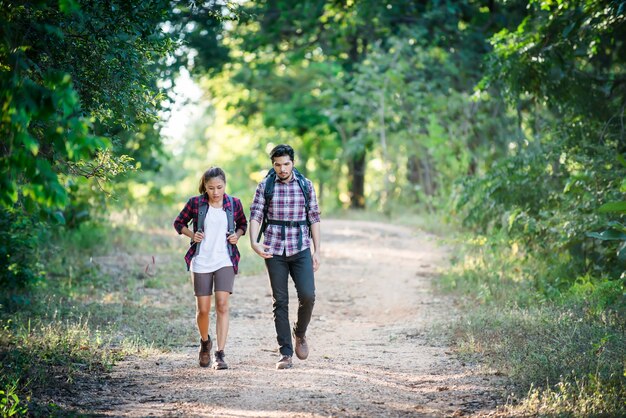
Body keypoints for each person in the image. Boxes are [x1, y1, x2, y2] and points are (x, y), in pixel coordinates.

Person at [249, 144, 321, 369]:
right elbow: (256, 214)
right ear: (273, 165)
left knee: (308, 295)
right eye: (278, 165)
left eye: (286, 164)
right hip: (274, 249)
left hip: (300, 247)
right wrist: (253, 242)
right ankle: (285, 353)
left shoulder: (306, 185)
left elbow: (314, 218)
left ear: (293, 163)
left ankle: (300, 333)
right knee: (280, 301)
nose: (282, 169)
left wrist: (317, 250)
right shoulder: (265, 186)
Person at [174, 167, 247, 369]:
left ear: (225, 185)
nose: (215, 192)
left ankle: (220, 354)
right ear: (204, 187)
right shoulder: (196, 203)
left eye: (219, 187)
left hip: (225, 259)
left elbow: (243, 224)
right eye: (211, 188)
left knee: (222, 304)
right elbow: (178, 222)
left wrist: (237, 235)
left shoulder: (234, 203)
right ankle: (205, 342)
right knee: (203, 310)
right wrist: (192, 234)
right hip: (201, 260)